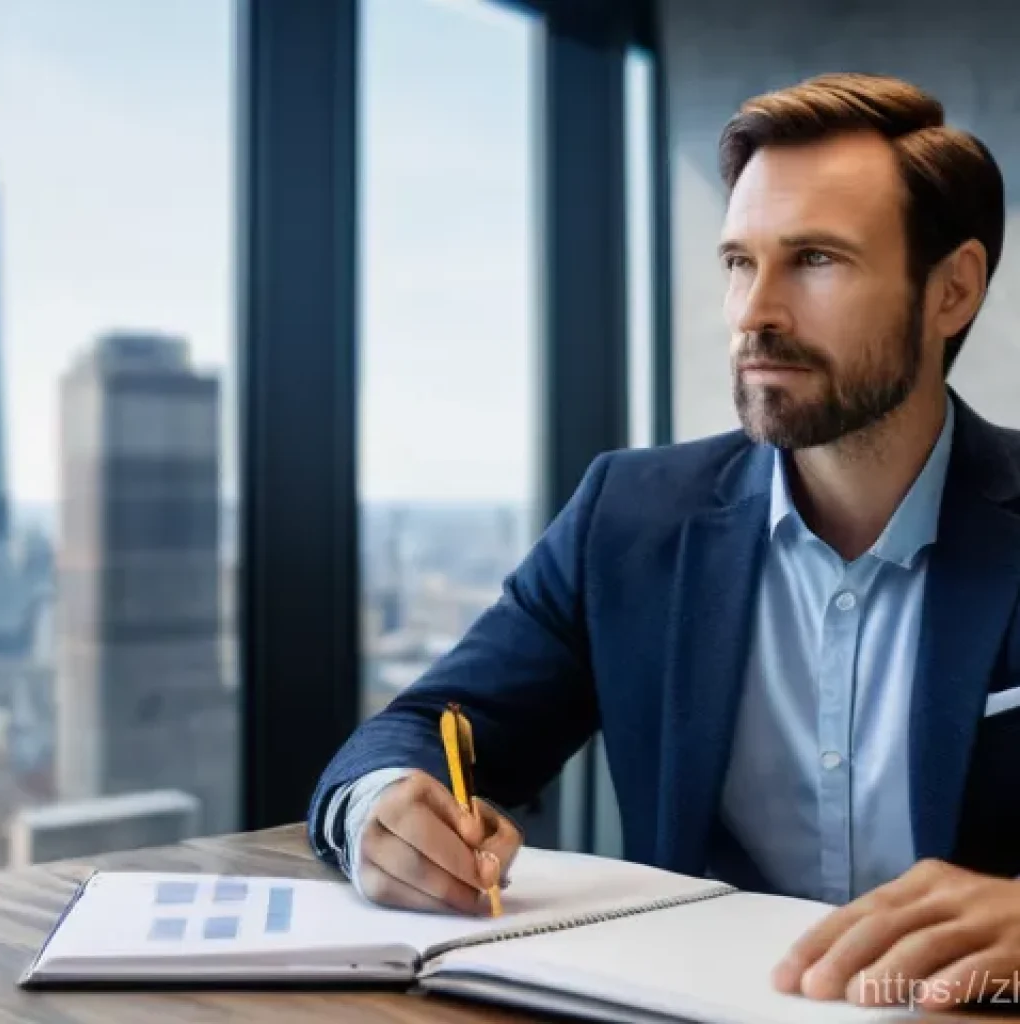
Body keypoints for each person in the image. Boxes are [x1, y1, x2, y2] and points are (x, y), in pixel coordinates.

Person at [308, 72, 1020, 1011]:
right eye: (738, 261)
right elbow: (418, 731)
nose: (754, 313)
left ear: (951, 291)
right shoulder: (630, 516)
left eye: (814, 260)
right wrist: (384, 811)